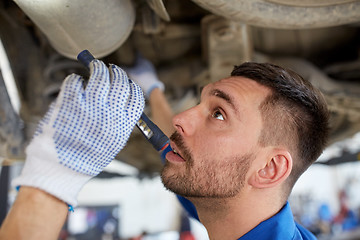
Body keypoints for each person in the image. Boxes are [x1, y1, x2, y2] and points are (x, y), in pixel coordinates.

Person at [0, 55, 329, 240]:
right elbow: (169, 144)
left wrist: (54, 179)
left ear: (270, 169)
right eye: (203, 102)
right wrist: (153, 89)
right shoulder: (223, 200)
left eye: (218, 114)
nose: (182, 117)